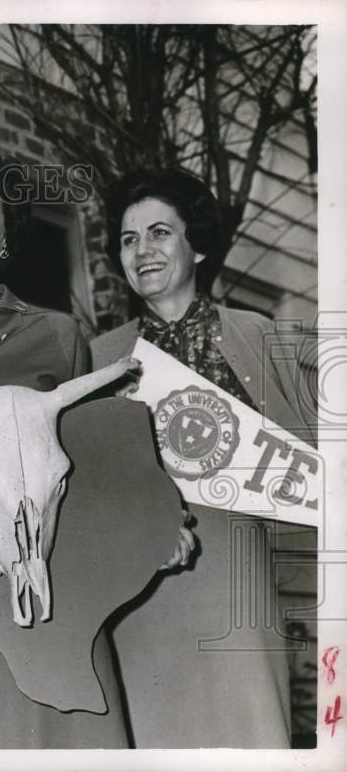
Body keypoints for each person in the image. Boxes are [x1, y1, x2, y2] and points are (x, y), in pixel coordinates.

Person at [0, 144, 183, 748]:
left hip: (61, 588)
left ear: (5, 236)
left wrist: (152, 522)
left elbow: (96, 465)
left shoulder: (57, 333)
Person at [92, 166, 316, 747]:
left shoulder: (257, 336)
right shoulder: (98, 360)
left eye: (160, 232)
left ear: (198, 246)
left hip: (241, 589)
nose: (142, 250)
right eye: (128, 239)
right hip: (142, 597)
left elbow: (311, 469)